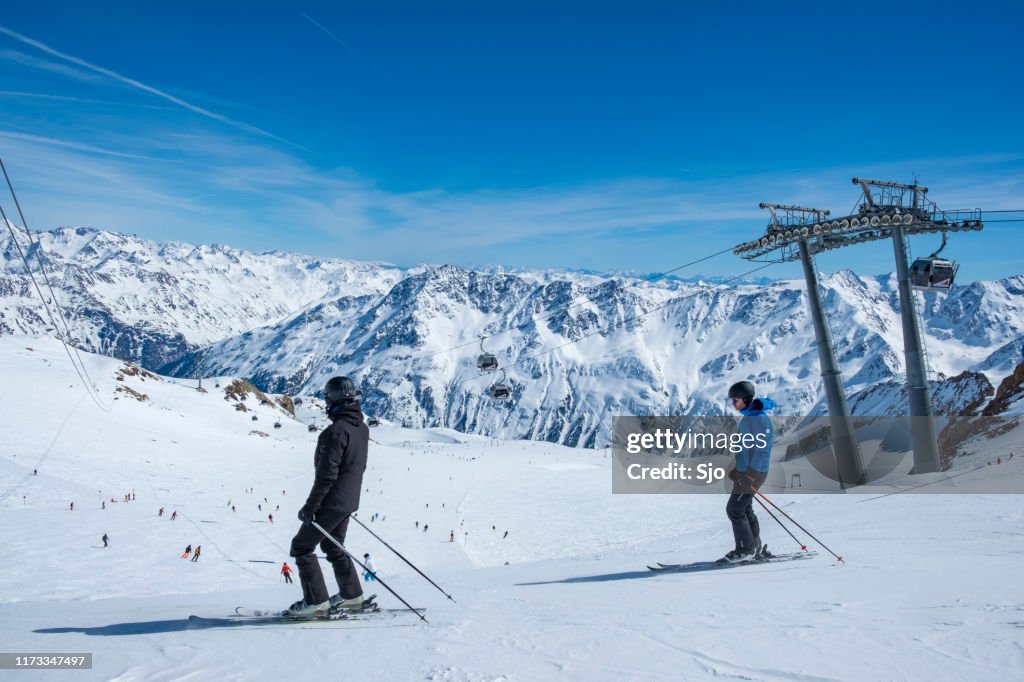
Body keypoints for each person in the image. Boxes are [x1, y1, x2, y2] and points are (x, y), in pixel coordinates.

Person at [286, 377, 369, 617]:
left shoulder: (334, 432)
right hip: (349, 499)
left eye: (327, 398)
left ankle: (316, 602)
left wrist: (310, 507)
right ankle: (352, 595)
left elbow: (326, 476)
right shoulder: (361, 428)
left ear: (332, 400)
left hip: (332, 501)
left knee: (301, 547)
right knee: (333, 545)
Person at [722, 380, 776, 564]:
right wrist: (739, 470)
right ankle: (754, 546)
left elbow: (762, 450)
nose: (733, 404)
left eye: (735, 400)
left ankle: (746, 549)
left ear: (745, 399)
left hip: (756, 472)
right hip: (748, 471)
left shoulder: (759, 419)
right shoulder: (749, 417)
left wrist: (750, 474)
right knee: (744, 507)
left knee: (734, 509)